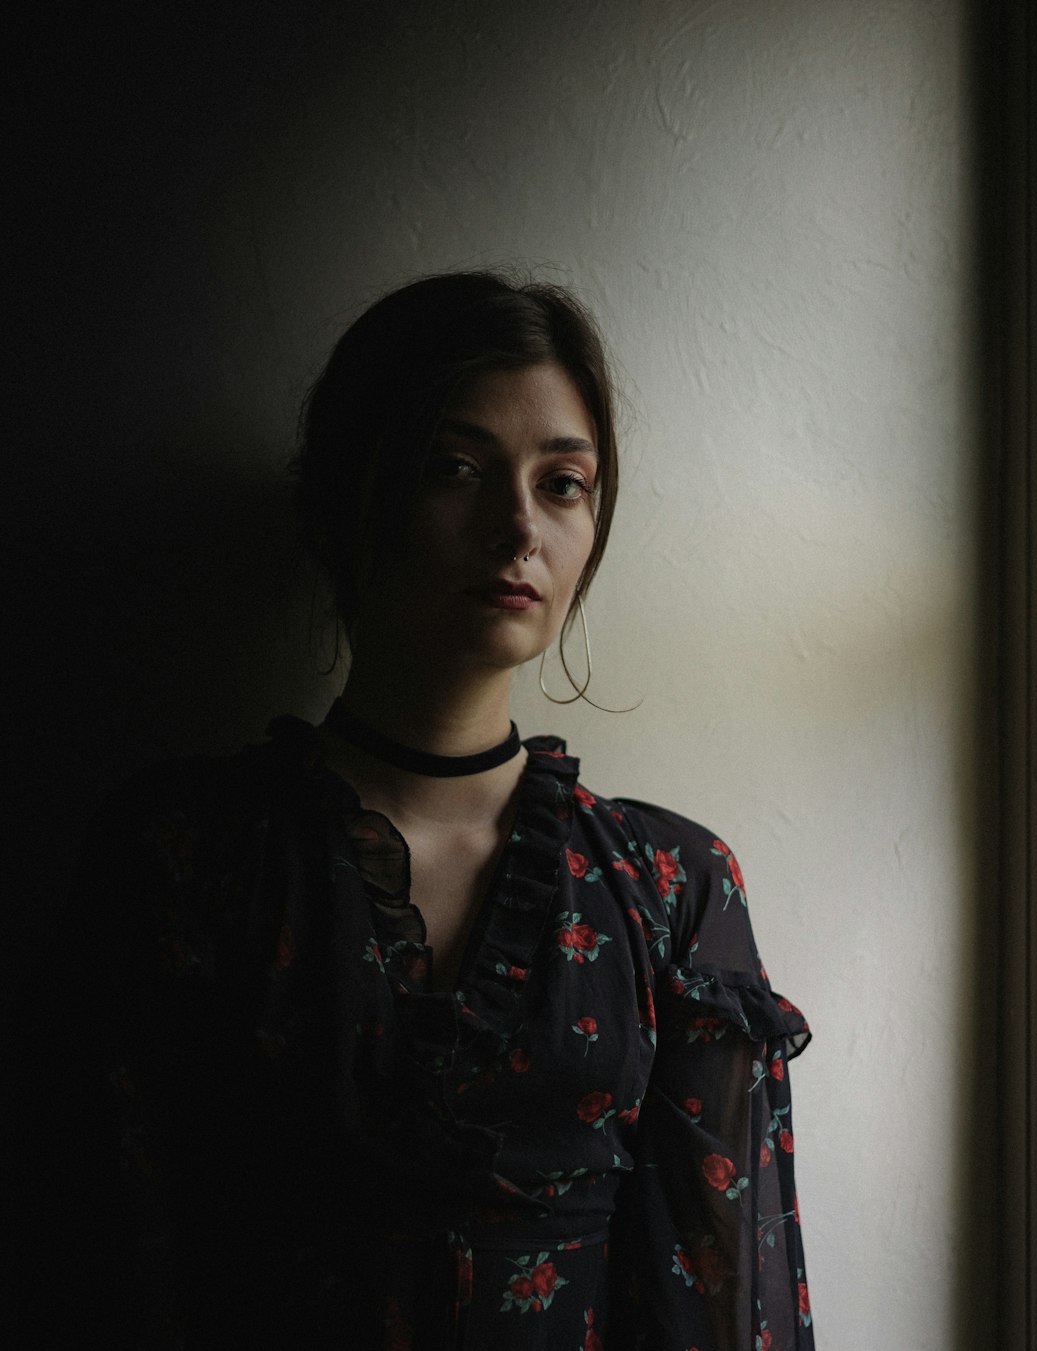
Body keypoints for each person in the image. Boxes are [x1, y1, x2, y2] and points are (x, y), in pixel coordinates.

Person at [32, 272, 814, 1349]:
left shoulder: (669, 884)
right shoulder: (186, 854)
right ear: (352, 493)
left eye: (564, 483)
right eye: (456, 468)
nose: (516, 528)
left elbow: (713, 1299)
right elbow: (104, 1262)